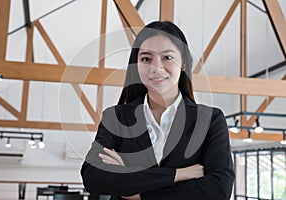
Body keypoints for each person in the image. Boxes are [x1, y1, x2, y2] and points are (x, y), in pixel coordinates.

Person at [81, 21, 234, 200]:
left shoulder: (210, 120)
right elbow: (92, 177)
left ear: (184, 63)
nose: (156, 67)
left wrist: (137, 189)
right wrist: (179, 174)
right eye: (146, 58)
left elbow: (218, 190)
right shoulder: (116, 117)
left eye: (167, 57)